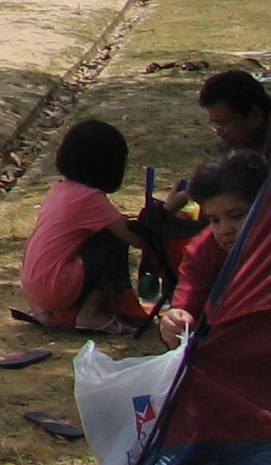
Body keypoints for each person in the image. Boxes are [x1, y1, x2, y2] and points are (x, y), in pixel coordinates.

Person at [19, 118, 152, 331]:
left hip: (32, 286)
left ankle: (43, 310)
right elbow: (135, 239)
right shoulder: (90, 198)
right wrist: (167, 212)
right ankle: (89, 314)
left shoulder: (59, 189)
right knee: (113, 238)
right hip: (57, 287)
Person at [159, 149, 268, 347]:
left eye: (236, 216)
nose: (225, 230)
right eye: (214, 220)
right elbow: (187, 303)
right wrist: (175, 321)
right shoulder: (204, 250)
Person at [201, 69, 271, 158]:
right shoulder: (227, 145)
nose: (219, 133)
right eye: (216, 124)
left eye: (225, 123)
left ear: (255, 115)